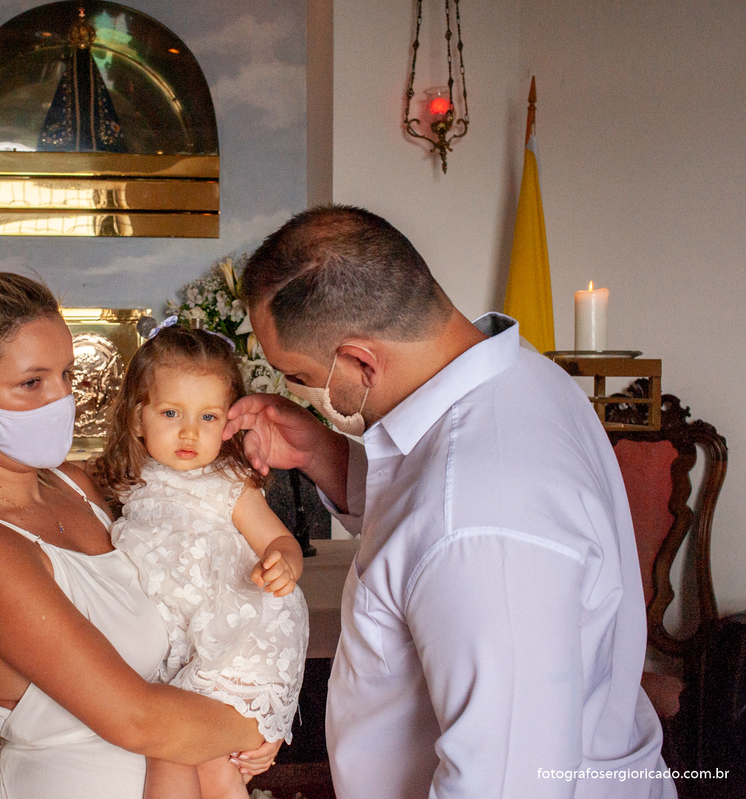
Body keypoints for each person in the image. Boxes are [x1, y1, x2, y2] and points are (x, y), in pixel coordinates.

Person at [222, 205, 676, 798]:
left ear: (360, 360)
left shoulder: (479, 522)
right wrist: (319, 452)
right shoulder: (520, 378)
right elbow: (420, 522)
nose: (295, 393)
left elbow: (508, 786)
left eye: (298, 376)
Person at [0, 273, 279, 799]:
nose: (62, 400)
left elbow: (186, 507)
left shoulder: (74, 486)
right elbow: (136, 720)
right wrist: (258, 722)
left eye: (67, 375)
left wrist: (244, 445)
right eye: (33, 383)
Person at [94, 321, 310, 799]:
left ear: (229, 423)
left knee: (207, 764)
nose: (190, 431)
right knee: (172, 756)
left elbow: (280, 539)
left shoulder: (230, 485)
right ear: (136, 419)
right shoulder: (130, 487)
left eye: (209, 417)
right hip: (170, 645)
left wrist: (283, 561)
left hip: (229, 635)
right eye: (172, 412)